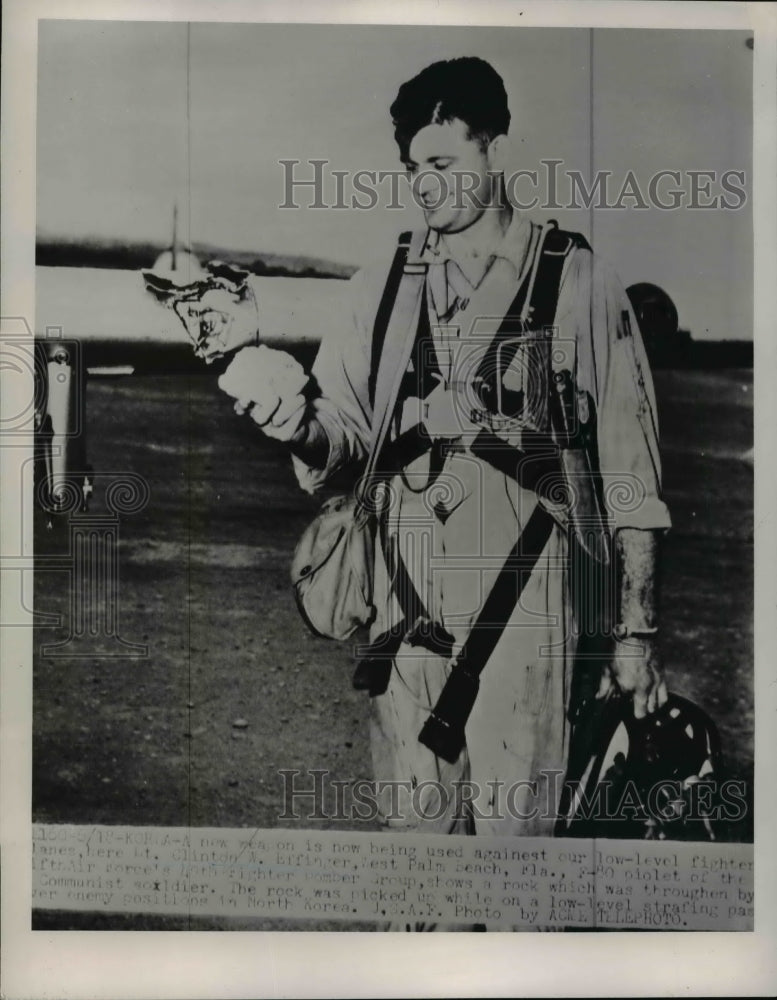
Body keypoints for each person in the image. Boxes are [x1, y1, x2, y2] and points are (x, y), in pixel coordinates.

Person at [179, 56, 671, 921]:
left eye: (444, 166)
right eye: (414, 170)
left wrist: (634, 631)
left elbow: (631, 475)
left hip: (527, 617)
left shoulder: (577, 283)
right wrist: (289, 416)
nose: (427, 188)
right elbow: (344, 443)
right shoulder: (382, 290)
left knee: (518, 870)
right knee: (415, 869)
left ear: (493, 149)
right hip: (403, 618)